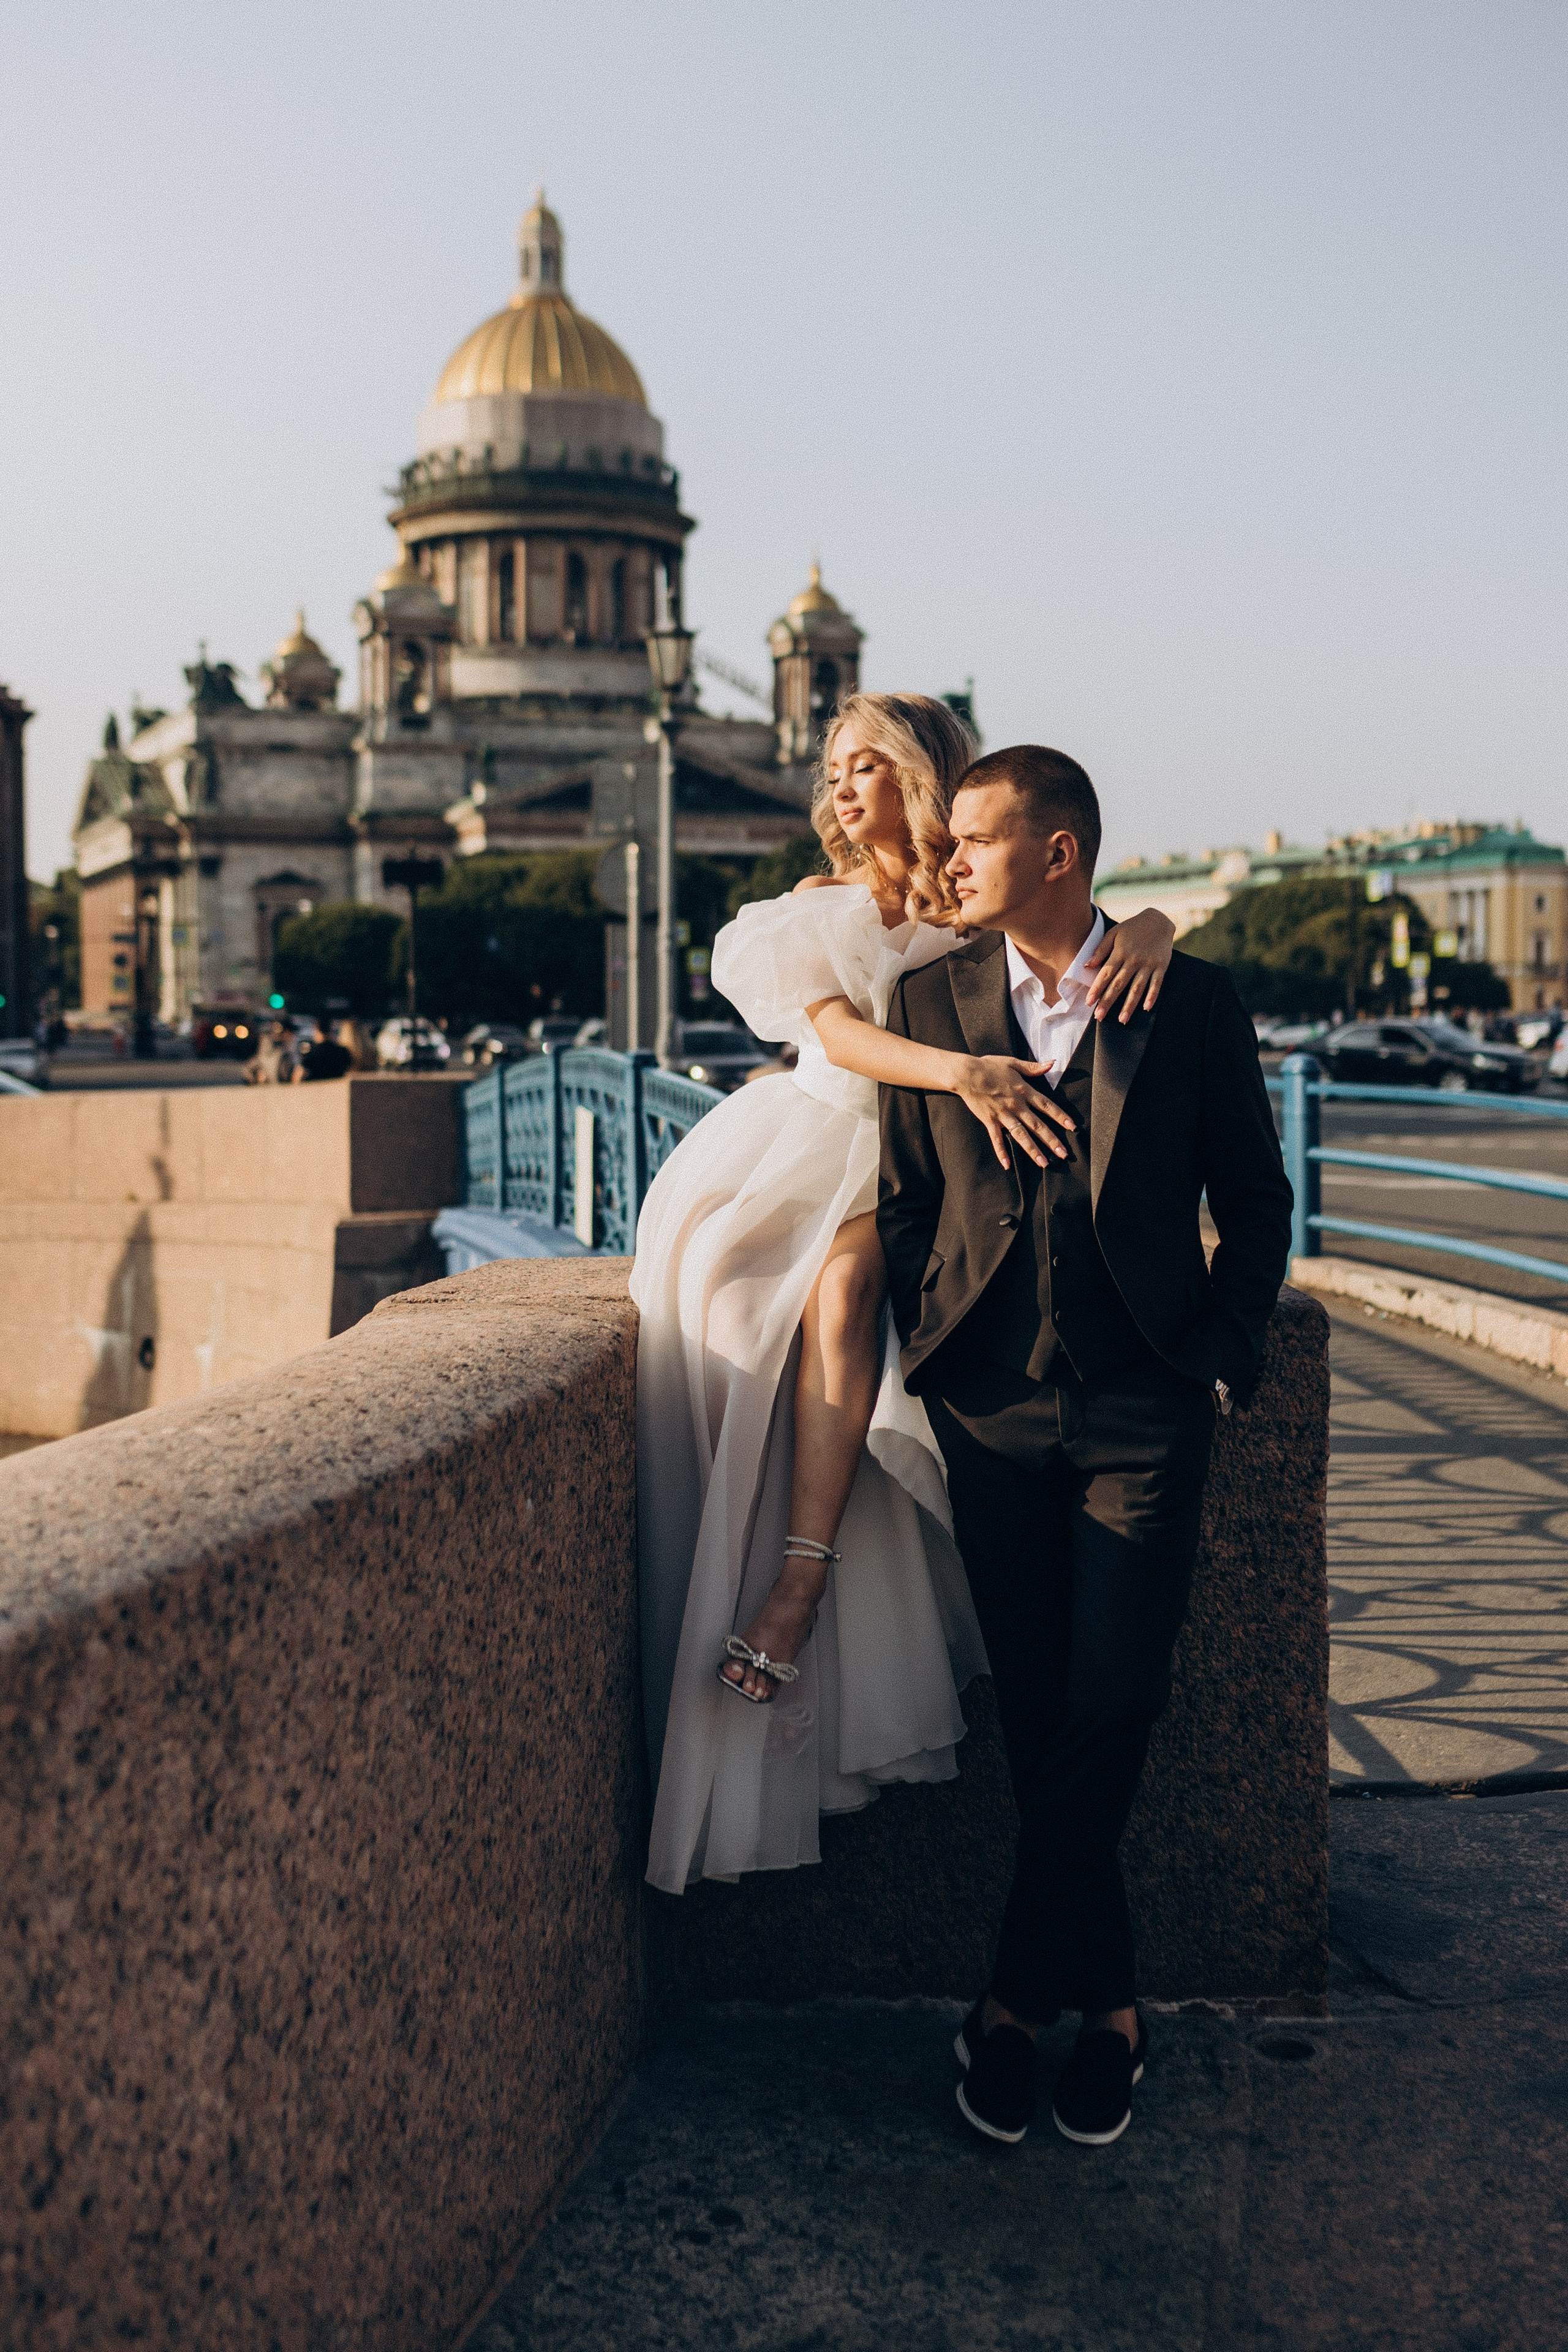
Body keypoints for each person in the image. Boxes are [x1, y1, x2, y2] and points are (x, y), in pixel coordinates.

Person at [630, 695, 1178, 1896]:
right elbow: (836, 1035)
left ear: (924, 776)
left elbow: (1081, 918)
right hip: (825, 1142)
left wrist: (1152, 924)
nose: (838, 786)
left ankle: (798, 1580)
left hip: (927, 1166)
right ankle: (780, 1566)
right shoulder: (816, 906)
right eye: (831, 768)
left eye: (865, 764)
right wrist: (965, 1072)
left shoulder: (976, 894)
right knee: (747, 1304)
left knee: (841, 1294)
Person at [878, 744, 1292, 2152]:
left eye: (972, 839)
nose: (947, 863)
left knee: (1112, 1701)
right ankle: (1109, 2012)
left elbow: (1252, 1197)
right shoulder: (927, 1001)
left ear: (1056, 853)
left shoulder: (1188, 997)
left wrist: (1223, 1351)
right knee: (1042, 1709)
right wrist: (930, 1344)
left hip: (1141, 1410)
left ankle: (1012, 1998)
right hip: (988, 1410)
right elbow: (904, 1200)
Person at [295, 1017, 355, 1082]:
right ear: (331, 1030)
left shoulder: (311, 1054)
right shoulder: (343, 1052)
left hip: (316, 1087)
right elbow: (351, 1072)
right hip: (338, 1087)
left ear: (316, 1030)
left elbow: (299, 1076)